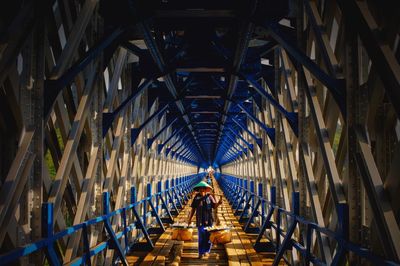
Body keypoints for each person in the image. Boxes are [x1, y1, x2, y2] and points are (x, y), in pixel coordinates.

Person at [188, 181, 222, 259]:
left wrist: (219, 203)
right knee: (201, 236)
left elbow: (214, 206)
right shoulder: (196, 197)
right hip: (200, 220)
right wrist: (190, 219)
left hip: (209, 219)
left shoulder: (210, 197)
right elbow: (193, 209)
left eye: (204, 189)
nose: (202, 190)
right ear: (199, 190)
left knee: (209, 236)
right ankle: (201, 252)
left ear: (206, 190)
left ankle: (207, 251)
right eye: (200, 189)